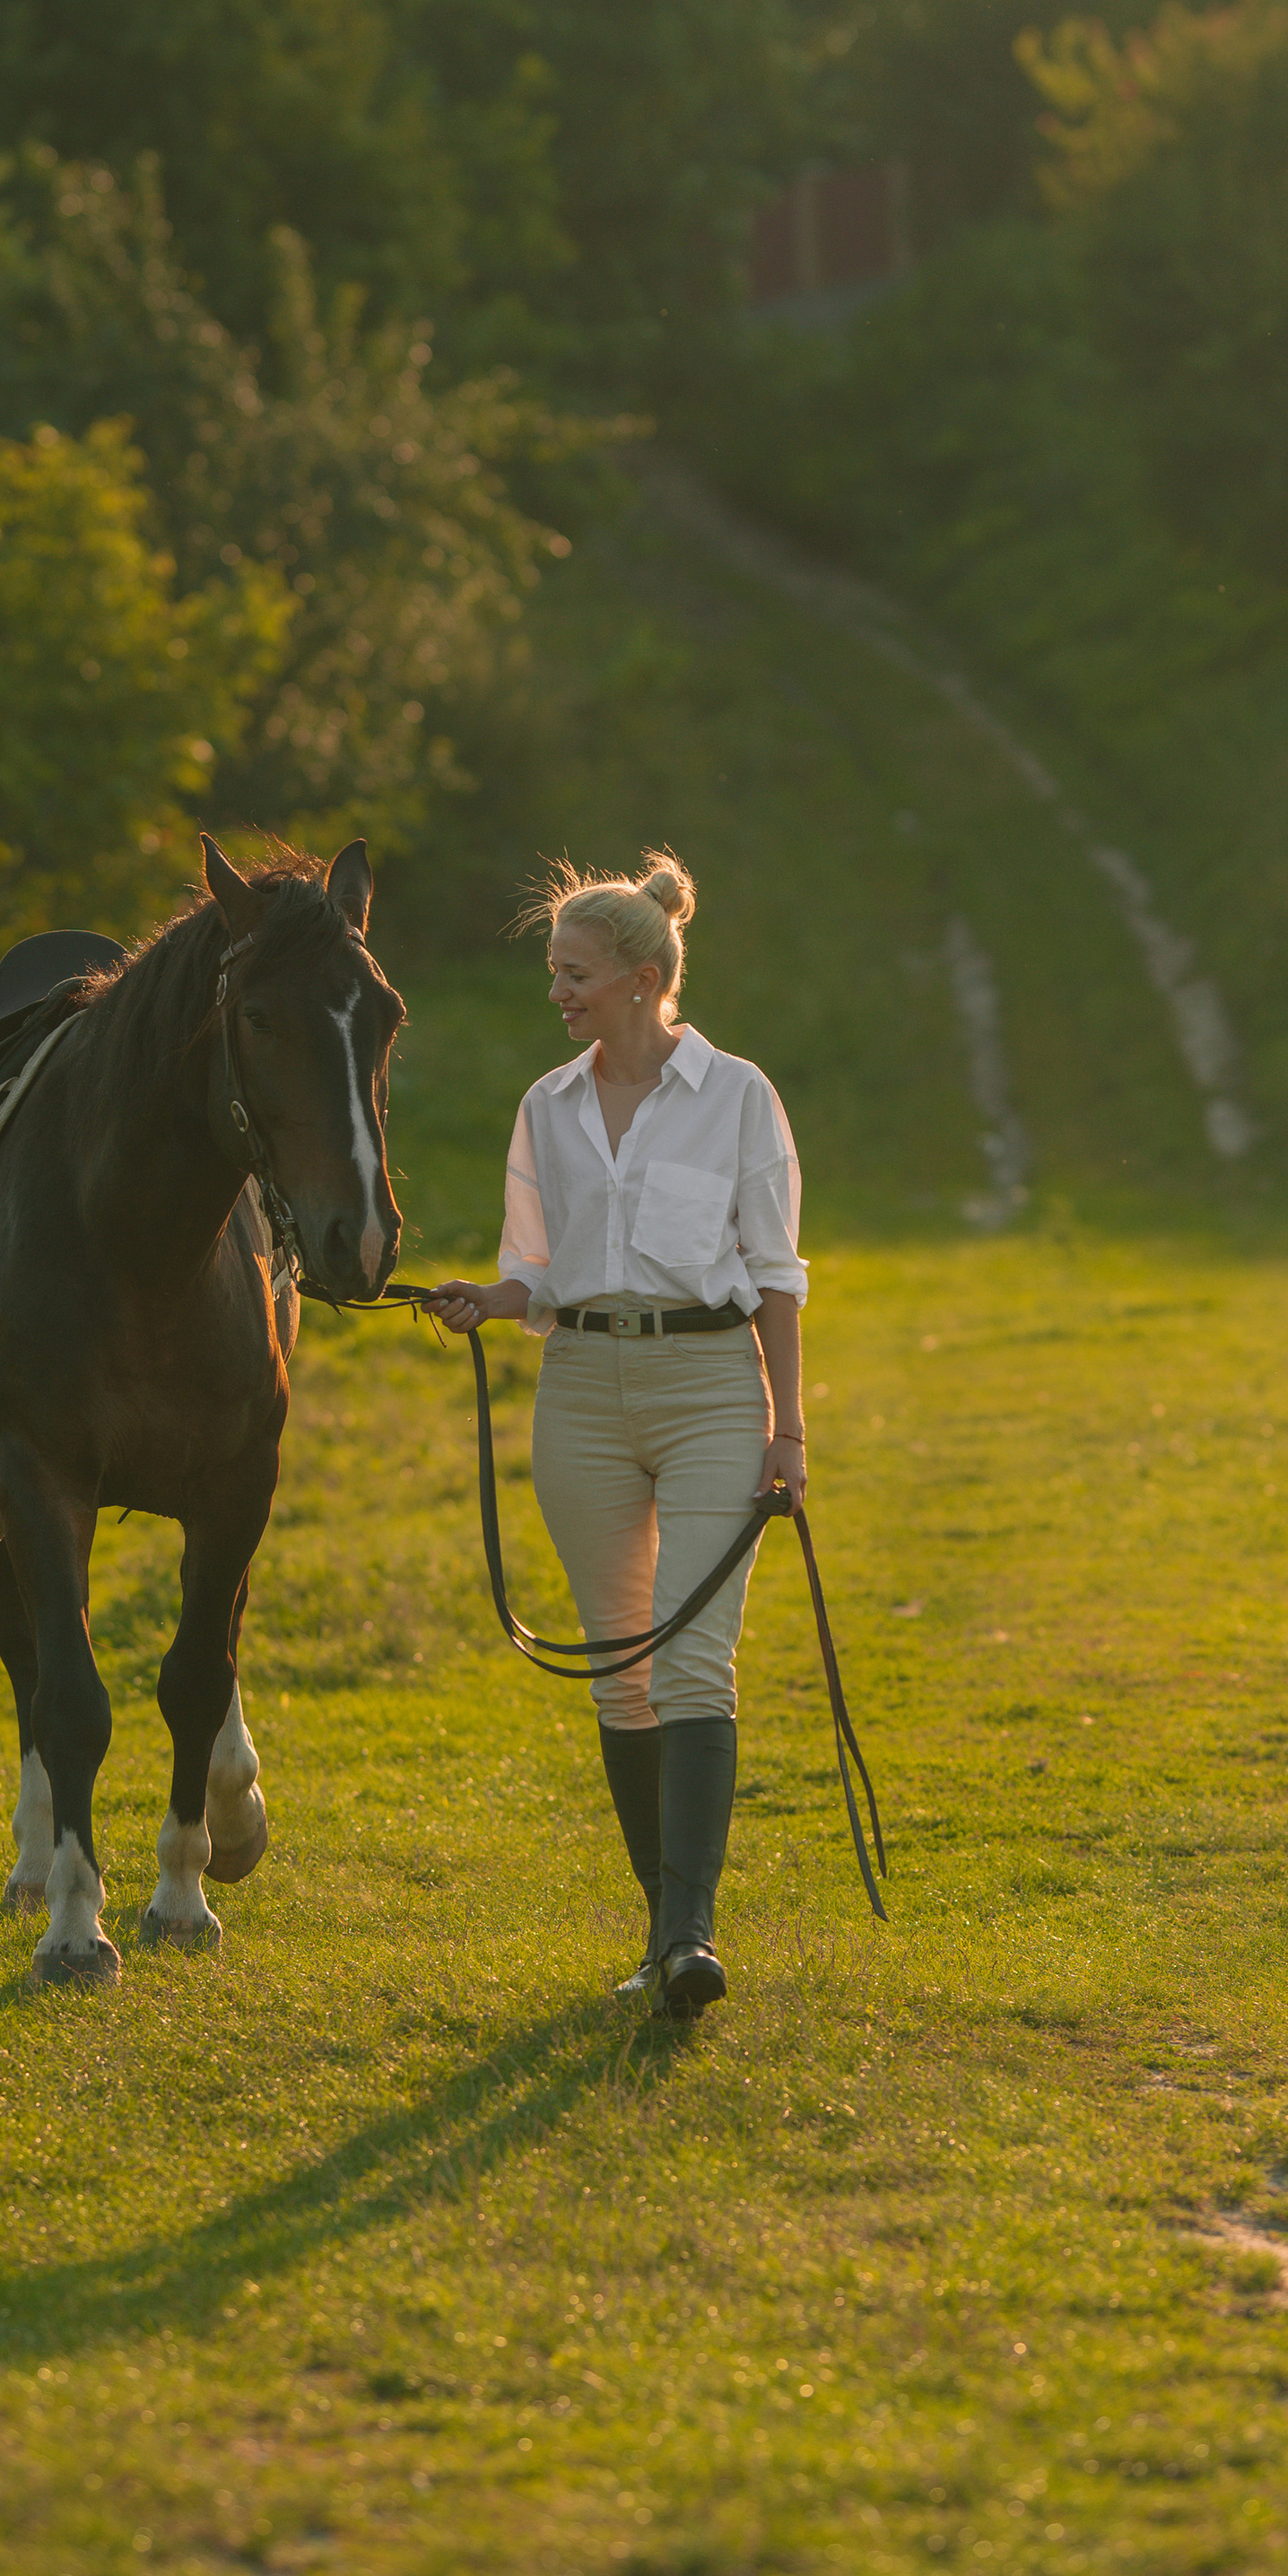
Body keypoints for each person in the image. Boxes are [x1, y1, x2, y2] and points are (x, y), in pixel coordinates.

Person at [426, 852, 808, 2016]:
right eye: (554, 973)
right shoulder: (545, 1107)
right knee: (621, 1674)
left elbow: (776, 1272)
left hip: (712, 1389)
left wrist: (789, 1430)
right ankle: (661, 1930)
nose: (558, 993)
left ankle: (690, 1936)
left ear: (645, 979)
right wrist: (491, 1299)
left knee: (693, 1661)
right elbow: (537, 1266)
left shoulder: (738, 1095)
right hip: (583, 1389)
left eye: (576, 974)